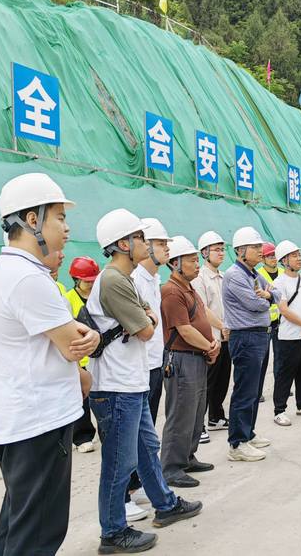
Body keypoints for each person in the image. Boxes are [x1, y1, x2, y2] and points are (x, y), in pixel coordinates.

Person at [0, 172, 99, 555]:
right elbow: (75, 345)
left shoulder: (11, 272)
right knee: (37, 535)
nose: (67, 229)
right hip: (38, 424)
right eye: (59, 218)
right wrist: (93, 339)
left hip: (21, 422)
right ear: (32, 220)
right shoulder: (26, 278)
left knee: (19, 526)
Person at [88, 208, 202, 553]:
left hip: (131, 383)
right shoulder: (112, 280)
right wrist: (146, 318)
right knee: (119, 462)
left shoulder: (126, 279)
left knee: (146, 451)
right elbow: (146, 329)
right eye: (140, 238)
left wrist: (146, 318)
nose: (148, 244)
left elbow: (147, 323)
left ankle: (165, 504)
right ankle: (113, 532)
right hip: (116, 386)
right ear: (124, 243)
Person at [160, 237, 220, 488]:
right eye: (192, 260)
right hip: (182, 359)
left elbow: (203, 312)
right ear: (175, 264)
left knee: (196, 412)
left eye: (197, 260)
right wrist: (209, 346)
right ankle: (172, 468)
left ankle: (188, 456)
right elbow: (183, 330)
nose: (198, 265)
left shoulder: (188, 287)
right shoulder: (172, 291)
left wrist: (220, 331)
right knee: (181, 414)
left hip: (197, 358)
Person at [126, 217, 172, 521]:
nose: (166, 249)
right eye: (160, 244)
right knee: (130, 436)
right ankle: (126, 493)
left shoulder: (154, 280)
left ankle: (141, 483)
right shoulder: (135, 280)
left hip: (155, 363)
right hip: (138, 367)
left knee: (147, 432)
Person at [222, 226, 281, 461]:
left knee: (254, 390)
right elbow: (254, 304)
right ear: (240, 250)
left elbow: (276, 294)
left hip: (258, 335)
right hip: (245, 336)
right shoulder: (235, 275)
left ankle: (248, 431)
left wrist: (267, 295)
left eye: (260, 247)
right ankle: (237, 444)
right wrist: (266, 298)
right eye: (255, 247)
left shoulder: (253, 274)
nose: (260, 250)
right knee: (244, 390)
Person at [271, 240, 301, 426]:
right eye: (294, 255)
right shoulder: (279, 282)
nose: (299, 258)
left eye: (299, 254)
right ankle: (279, 410)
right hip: (289, 336)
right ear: (284, 261)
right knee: (285, 373)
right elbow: (283, 309)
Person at [194, 231, 231, 435]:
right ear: (205, 252)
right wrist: (222, 326)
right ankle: (198, 425)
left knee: (222, 379)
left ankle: (216, 417)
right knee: (206, 383)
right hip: (210, 338)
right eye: (216, 250)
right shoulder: (200, 279)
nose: (221, 253)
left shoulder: (223, 277)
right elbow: (202, 309)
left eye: (222, 249)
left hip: (226, 336)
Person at [64, 256, 101, 453]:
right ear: (76, 279)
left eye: (94, 280)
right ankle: (82, 437)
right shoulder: (69, 299)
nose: (91, 284)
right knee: (83, 401)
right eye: (87, 281)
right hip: (81, 358)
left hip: (100, 356)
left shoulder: (100, 296)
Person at [257, 241, 284, 402]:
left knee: (281, 358)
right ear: (263, 259)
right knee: (262, 359)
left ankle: (281, 388)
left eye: (274, 255)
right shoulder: (258, 275)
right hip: (265, 324)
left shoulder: (283, 272)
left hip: (282, 322)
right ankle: (258, 391)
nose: (273, 258)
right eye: (269, 256)